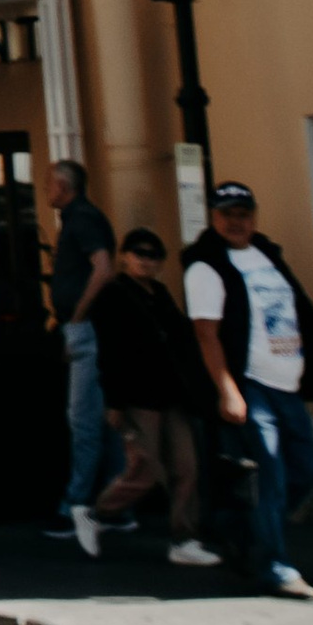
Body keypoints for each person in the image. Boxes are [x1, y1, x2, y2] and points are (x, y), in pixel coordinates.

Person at [184, 177, 313, 601]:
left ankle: (241, 529)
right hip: (252, 384)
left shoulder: (267, 256)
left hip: (287, 383)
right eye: (227, 214)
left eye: (243, 214)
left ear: (253, 217)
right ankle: (276, 567)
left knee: (305, 473)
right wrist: (228, 390)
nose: (237, 222)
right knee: (271, 472)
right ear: (214, 218)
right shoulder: (206, 266)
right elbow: (206, 334)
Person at [90, 229, 216, 561]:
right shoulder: (112, 295)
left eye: (153, 255)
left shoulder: (160, 293)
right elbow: (110, 352)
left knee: (186, 465)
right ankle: (98, 512)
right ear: (125, 256)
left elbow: (180, 340)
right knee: (147, 470)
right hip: (137, 394)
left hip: (171, 393)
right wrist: (114, 401)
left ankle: (184, 539)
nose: (146, 260)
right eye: (139, 253)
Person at [44, 158, 120, 554]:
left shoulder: (83, 220)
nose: (45, 191)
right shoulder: (81, 218)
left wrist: (77, 316)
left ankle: (76, 505)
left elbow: (103, 269)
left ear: (62, 185)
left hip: (86, 328)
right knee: (101, 420)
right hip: (88, 327)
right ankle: (117, 502)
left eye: (48, 183)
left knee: (83, 419)